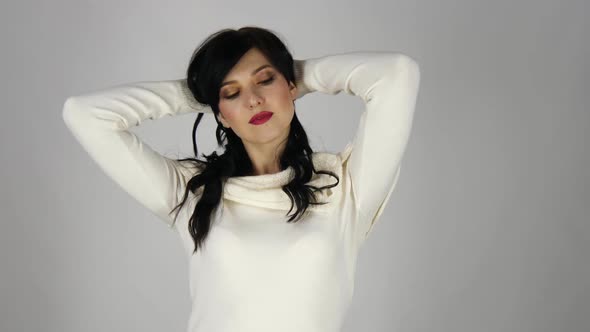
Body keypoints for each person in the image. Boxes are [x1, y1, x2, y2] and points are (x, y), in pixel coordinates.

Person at [62, 26, 421, 332]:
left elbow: (397, 74)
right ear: (221, 114)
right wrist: (202, 91)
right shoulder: (193, 193)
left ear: (291, 87)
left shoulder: (343, 185)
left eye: (265, 80)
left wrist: (295, 75)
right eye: (232, 93)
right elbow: (85, 115)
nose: (252, 100)